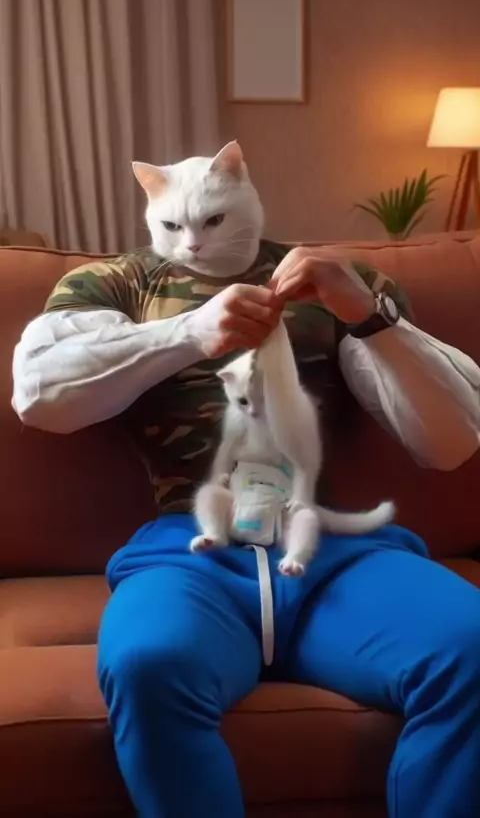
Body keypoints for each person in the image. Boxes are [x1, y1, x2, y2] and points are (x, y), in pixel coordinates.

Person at [12, 228, 480, 817]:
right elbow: (39, 396)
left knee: (472, 645)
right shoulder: (117, 282)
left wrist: (367, 314)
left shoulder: (344, 283)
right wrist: (189, 332)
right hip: (188, 549)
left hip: (331, 549)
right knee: (147, 664)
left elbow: (451, 443)